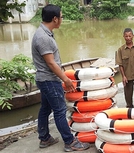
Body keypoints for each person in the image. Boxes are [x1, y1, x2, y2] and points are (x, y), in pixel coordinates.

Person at [31, 4, 90, 151]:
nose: (62, 19)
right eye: (61, 17)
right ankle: (70, 142)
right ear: (55, 19)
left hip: (44, 78)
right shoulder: (43, 37)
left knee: (45, 108)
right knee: (59, 110)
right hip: (49, 80)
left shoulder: (44, 33)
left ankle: (44, 138)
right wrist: (65, 79)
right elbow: (51, 63)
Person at [116, 28, 134, 109]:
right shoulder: (120, 50)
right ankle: (130, 110)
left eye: (130, 36)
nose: (128, 38)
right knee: (128, 96)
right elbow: (120, 65)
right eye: (126, 36)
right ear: (123, 37)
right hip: (127, 77)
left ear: (133, 36)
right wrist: (123, 76)